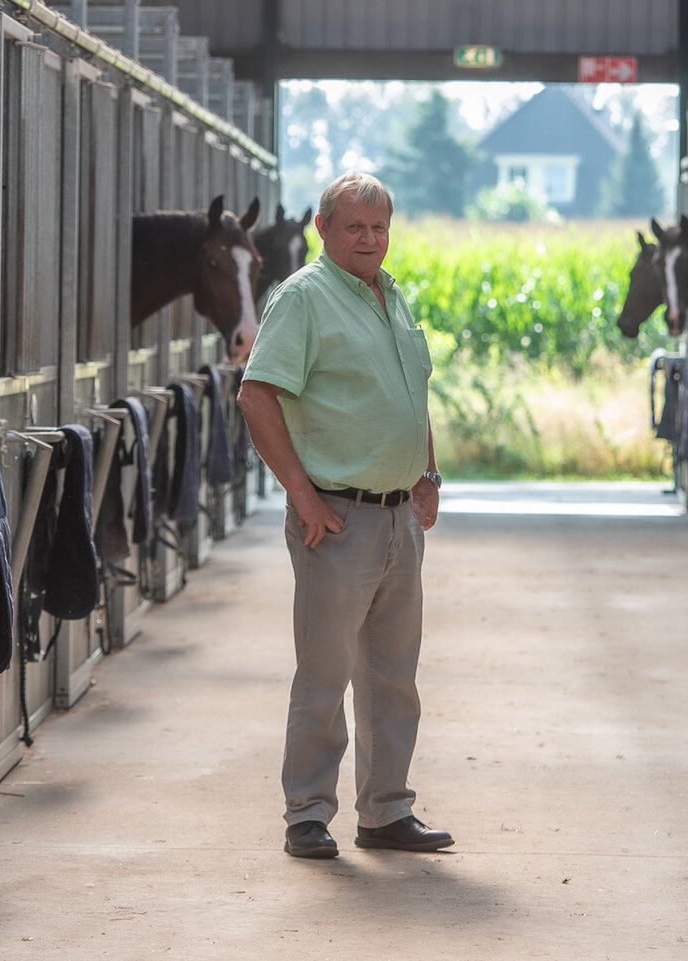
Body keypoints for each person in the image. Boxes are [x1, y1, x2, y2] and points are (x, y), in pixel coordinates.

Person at [238, 172, 451, 859]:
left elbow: (411, 392)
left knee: (394, 676)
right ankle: (307, 811)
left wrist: (428, 473)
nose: (369, 239)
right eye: (354, 227)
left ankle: (386, 810)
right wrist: (301, 495)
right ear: (324, 230)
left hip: (397, 522)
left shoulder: (393, 296)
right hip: (337, 517)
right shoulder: (302, 299)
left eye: (379, 227)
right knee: (325, 674)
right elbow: (257, 395)